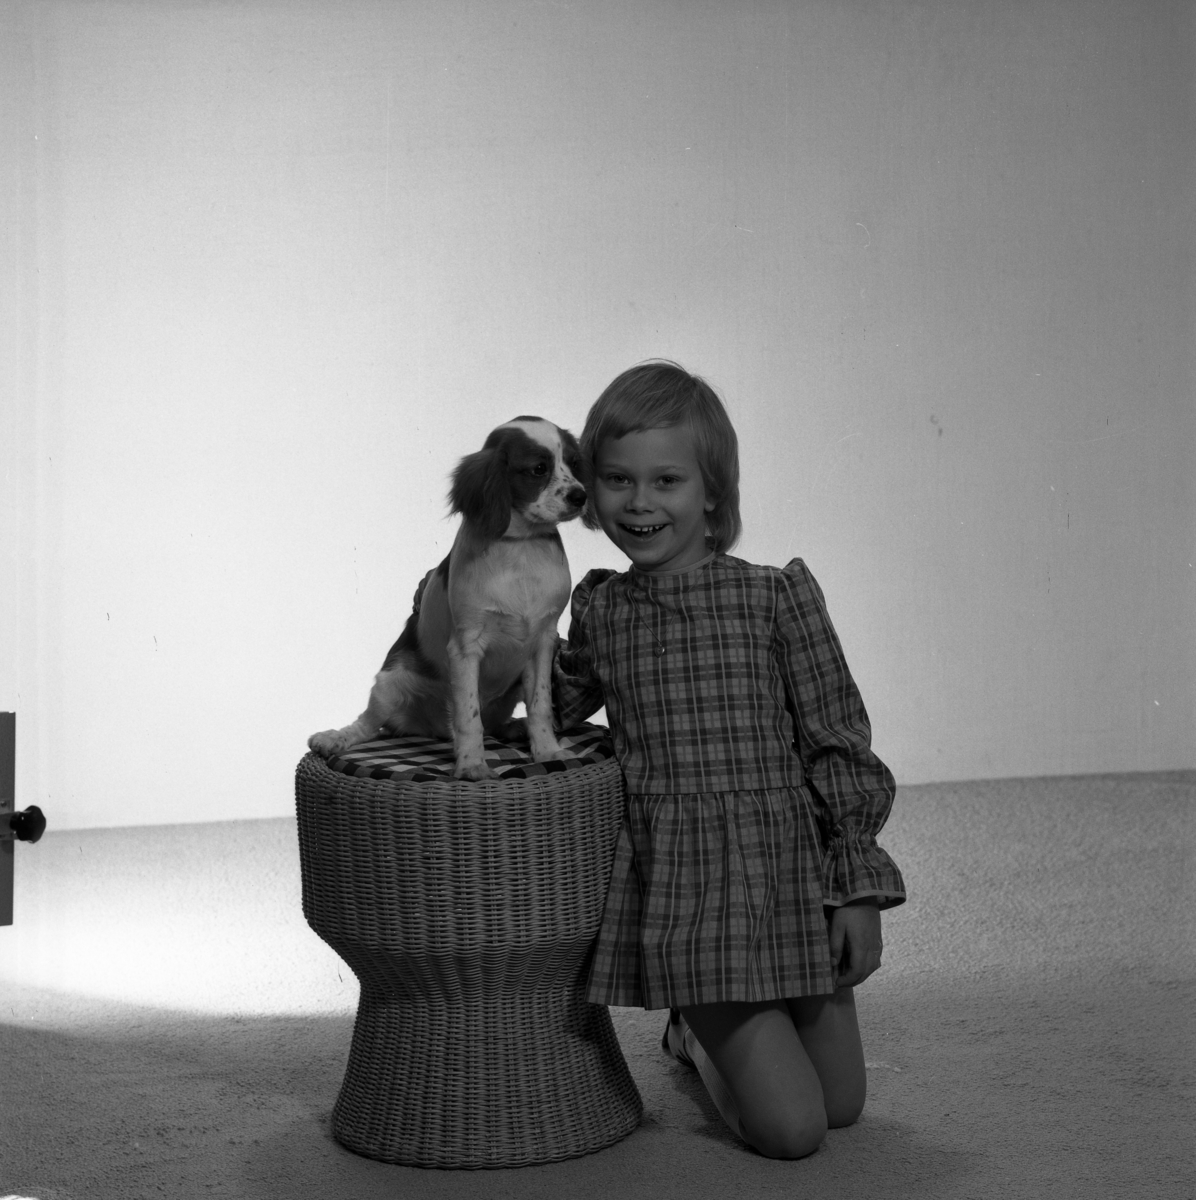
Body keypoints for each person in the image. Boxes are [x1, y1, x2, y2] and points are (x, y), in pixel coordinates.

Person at [553, 361, 906, 1159]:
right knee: (793, 1131)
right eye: (617, 479)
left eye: (666, 480)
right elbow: (558, 710)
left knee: (842, 1106)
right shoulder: (602, 610)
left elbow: (837, 741)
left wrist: (856, 891)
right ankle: (697, 1031)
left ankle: (700, 1028)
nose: (639, 502)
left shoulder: (775, 596)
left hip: (788, 874)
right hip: (688, 892)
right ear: (590, 490)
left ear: (713, 491)